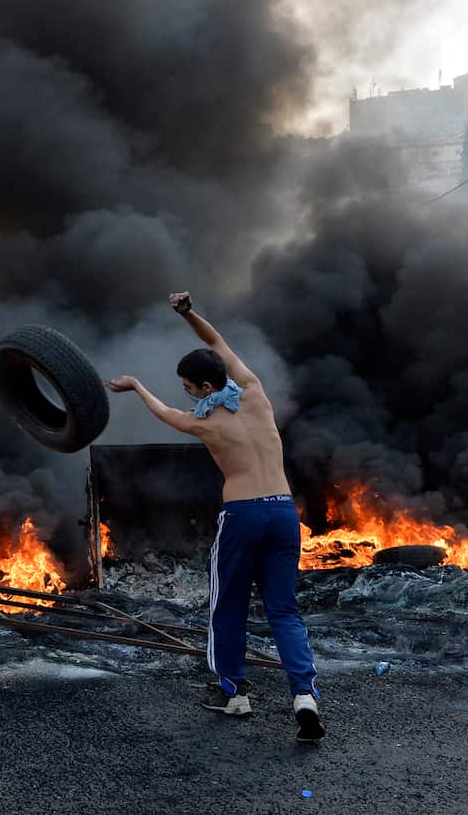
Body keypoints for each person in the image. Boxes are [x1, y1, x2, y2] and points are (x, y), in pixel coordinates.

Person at [104, 291, 325, 743]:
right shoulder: (255, 393)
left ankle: (235, 694)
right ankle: (304, 695)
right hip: (283, 512)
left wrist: (136, 386)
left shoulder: (204, 423)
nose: (184, 392)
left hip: (242, 515)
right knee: (284, 610)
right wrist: (188, 313)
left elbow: (164, 412)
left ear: (205, 388)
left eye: (188, 385)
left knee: (228, 605)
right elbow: (218, 341)